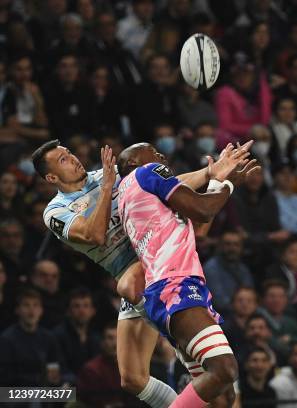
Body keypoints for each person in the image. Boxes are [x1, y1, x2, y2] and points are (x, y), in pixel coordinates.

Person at [33, 139, 250, 406]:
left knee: (217, 371)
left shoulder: (105, 173)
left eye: (70, 153)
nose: (74, 158)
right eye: (63, 159)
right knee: (132, 379)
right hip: (139, 274)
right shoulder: (56, 210)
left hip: (151, 268)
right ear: (51, 176)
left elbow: (163, 183)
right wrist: (107, 189)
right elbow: (94, 234)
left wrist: (209, 173)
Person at [115, 142, 259, 406]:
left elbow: (200, 226)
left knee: (223, 396)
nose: (160, 155)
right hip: (175, 286)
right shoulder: (147, 172)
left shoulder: (135, 198)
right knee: (225, 369)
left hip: (170, 289)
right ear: (133, 163)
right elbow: (204, 209)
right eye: (151, 151)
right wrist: (226, 183)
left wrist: (218, 179)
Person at [77, 324, 140, 407]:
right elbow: (85, 399)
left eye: (119, 338)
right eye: (110, 338)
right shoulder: (91, 370)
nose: (115, 343)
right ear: (102, 342)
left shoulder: (135, 368)